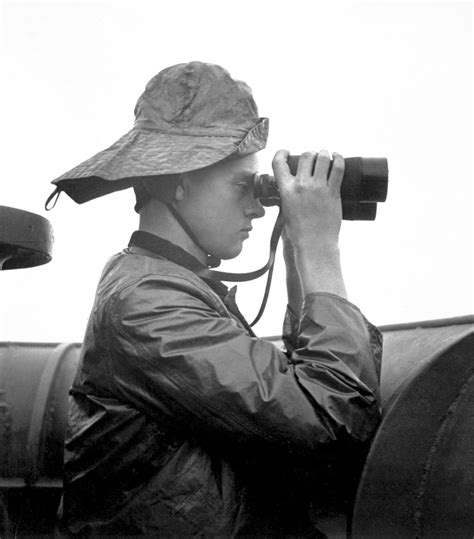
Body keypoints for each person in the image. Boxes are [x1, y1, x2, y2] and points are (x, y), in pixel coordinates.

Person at [50, 61, 382, 537]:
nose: (256, 206)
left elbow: (294, 393)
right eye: (241, 186)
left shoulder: (167, 283)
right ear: (177, 182)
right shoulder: (148, 303)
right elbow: (331, 419)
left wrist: (297, 256)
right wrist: (320, 247)